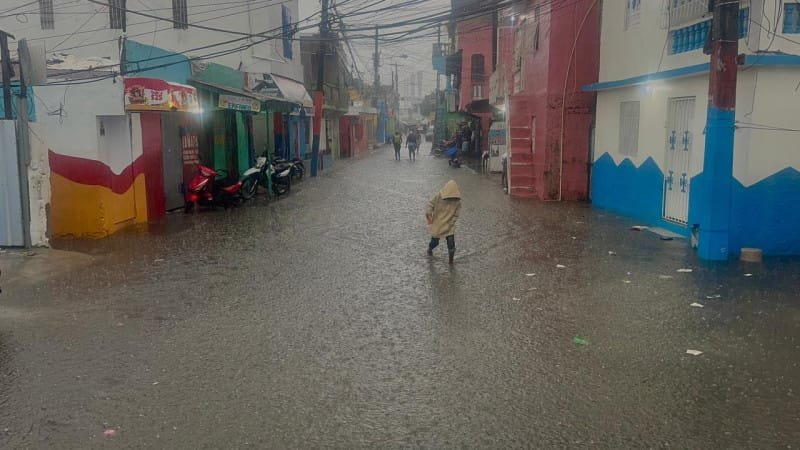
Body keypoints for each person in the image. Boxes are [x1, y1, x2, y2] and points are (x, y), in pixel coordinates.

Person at [425, 180, 462, 264]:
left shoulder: (457, 201)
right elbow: (430, 204)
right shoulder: (439, 196)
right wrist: (429, 213)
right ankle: (430, 249)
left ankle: (451, 261)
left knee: (451, 243)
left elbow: (456, 214)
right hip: (438, 223)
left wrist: (451, 222)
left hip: (449, 225)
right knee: (435, 242)